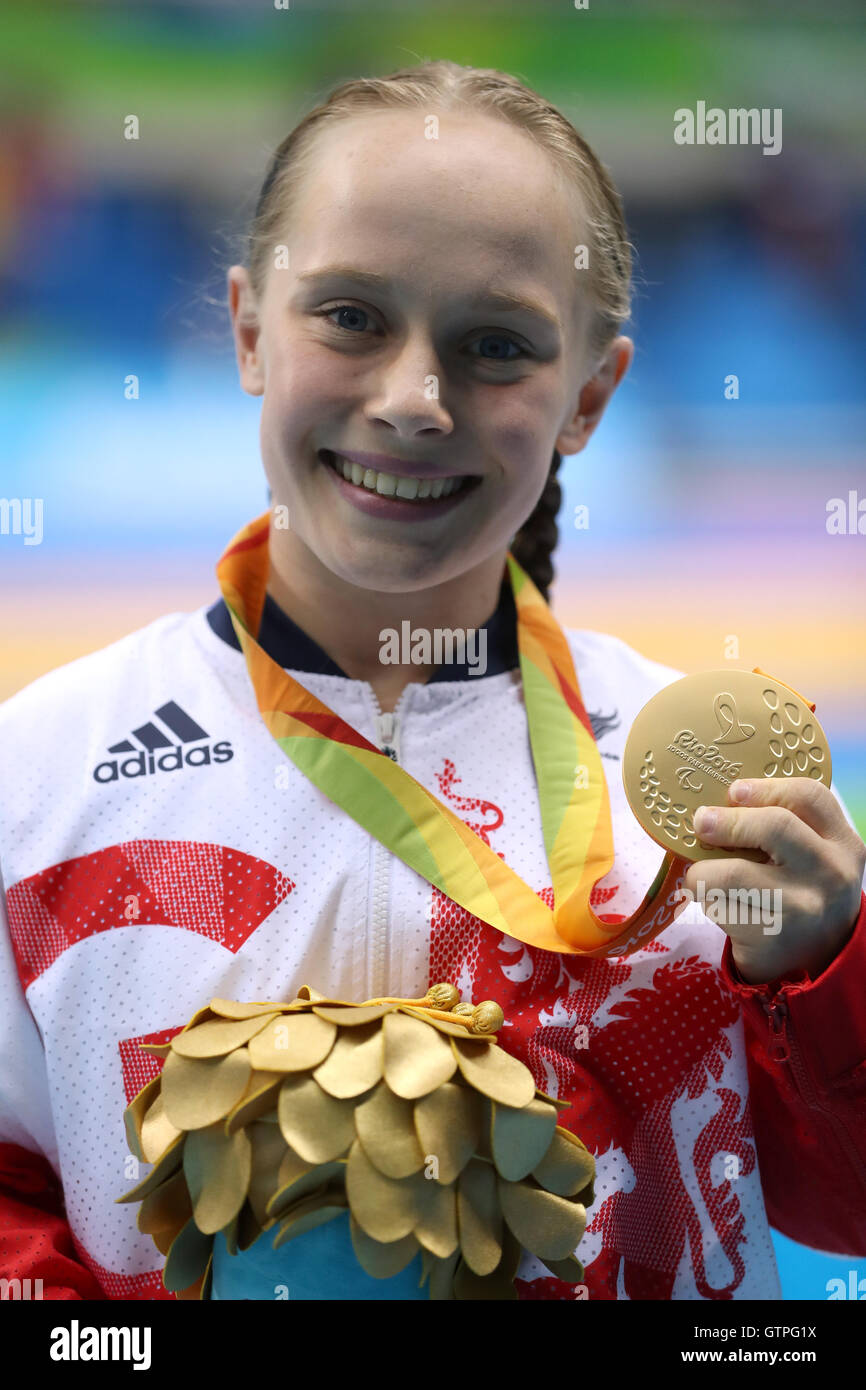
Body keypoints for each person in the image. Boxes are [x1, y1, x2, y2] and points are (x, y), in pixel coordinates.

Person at [0, 59, 864, 1303]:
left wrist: (824, 973)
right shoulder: (42, 777)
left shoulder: (713, 818)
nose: (412, 400)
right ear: (248, 330)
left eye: (494, 346)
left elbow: (842, 1209)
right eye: (350, 316)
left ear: (588, 396)